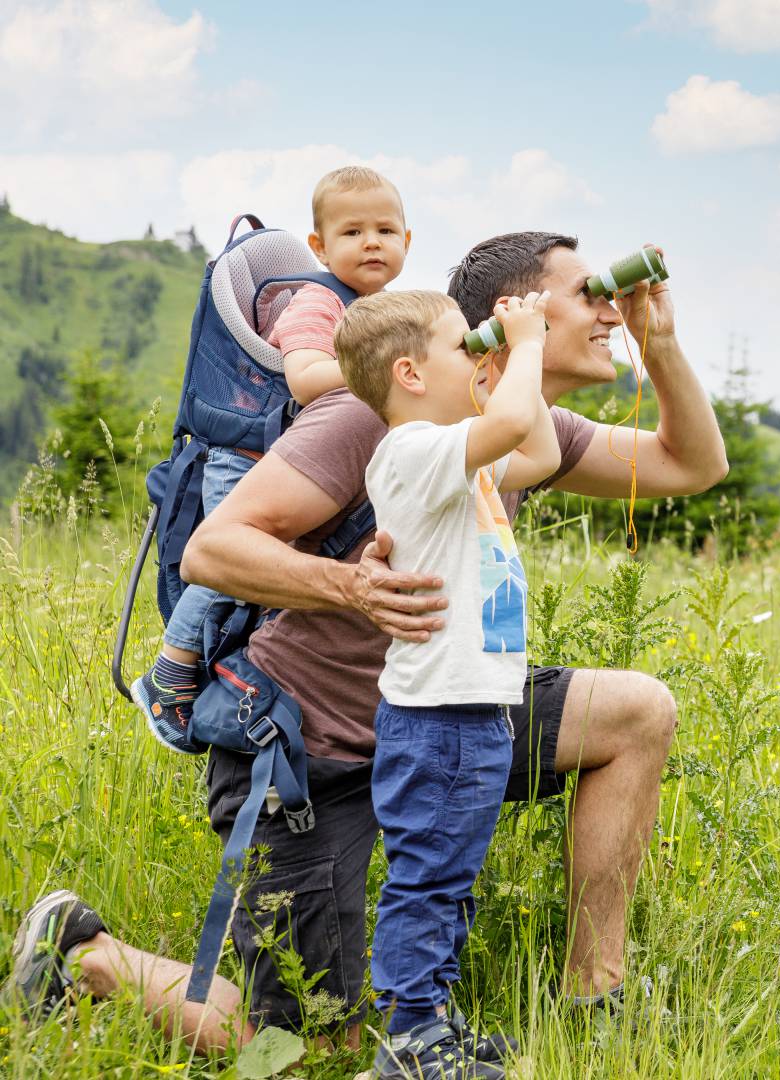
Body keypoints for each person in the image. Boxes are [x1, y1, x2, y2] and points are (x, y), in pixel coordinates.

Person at [9, 232, 726, 1057]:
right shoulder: (371, 416)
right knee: (311, 1044)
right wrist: (351, 586)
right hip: (314, 750)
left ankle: (594, 1000)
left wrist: (659, 344)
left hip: (450, 712)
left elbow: (690, 465)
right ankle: (87, 954)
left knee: (635, 712)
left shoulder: (523, 427)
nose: (609, 309)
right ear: (513, 315)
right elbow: (215, 548)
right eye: (589, 293)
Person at [335, 287, 556, 1077]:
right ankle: (411, 1037)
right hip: (441, 718)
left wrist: (496, 366)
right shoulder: (413, 452)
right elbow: (507, 428)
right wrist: (526, 345)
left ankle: (434, 1020)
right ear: (408, 372)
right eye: (463, 346)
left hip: (468, 712)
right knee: (427, 878)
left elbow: (541, 452)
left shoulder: (447, 455)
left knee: (450, 877)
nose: (478, 354)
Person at [130, 165, 412, 752]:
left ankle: (229, 681)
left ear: (408, 241)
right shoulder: (318, 303)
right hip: (249, 454)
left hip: (294, 451)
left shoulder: (379, 308)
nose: (372, 243)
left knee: (270, 583)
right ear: (319, 247)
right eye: (353, 232)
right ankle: (169, 673)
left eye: (386, 230)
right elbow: (307, 379)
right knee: (242, 562)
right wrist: (397, 374)